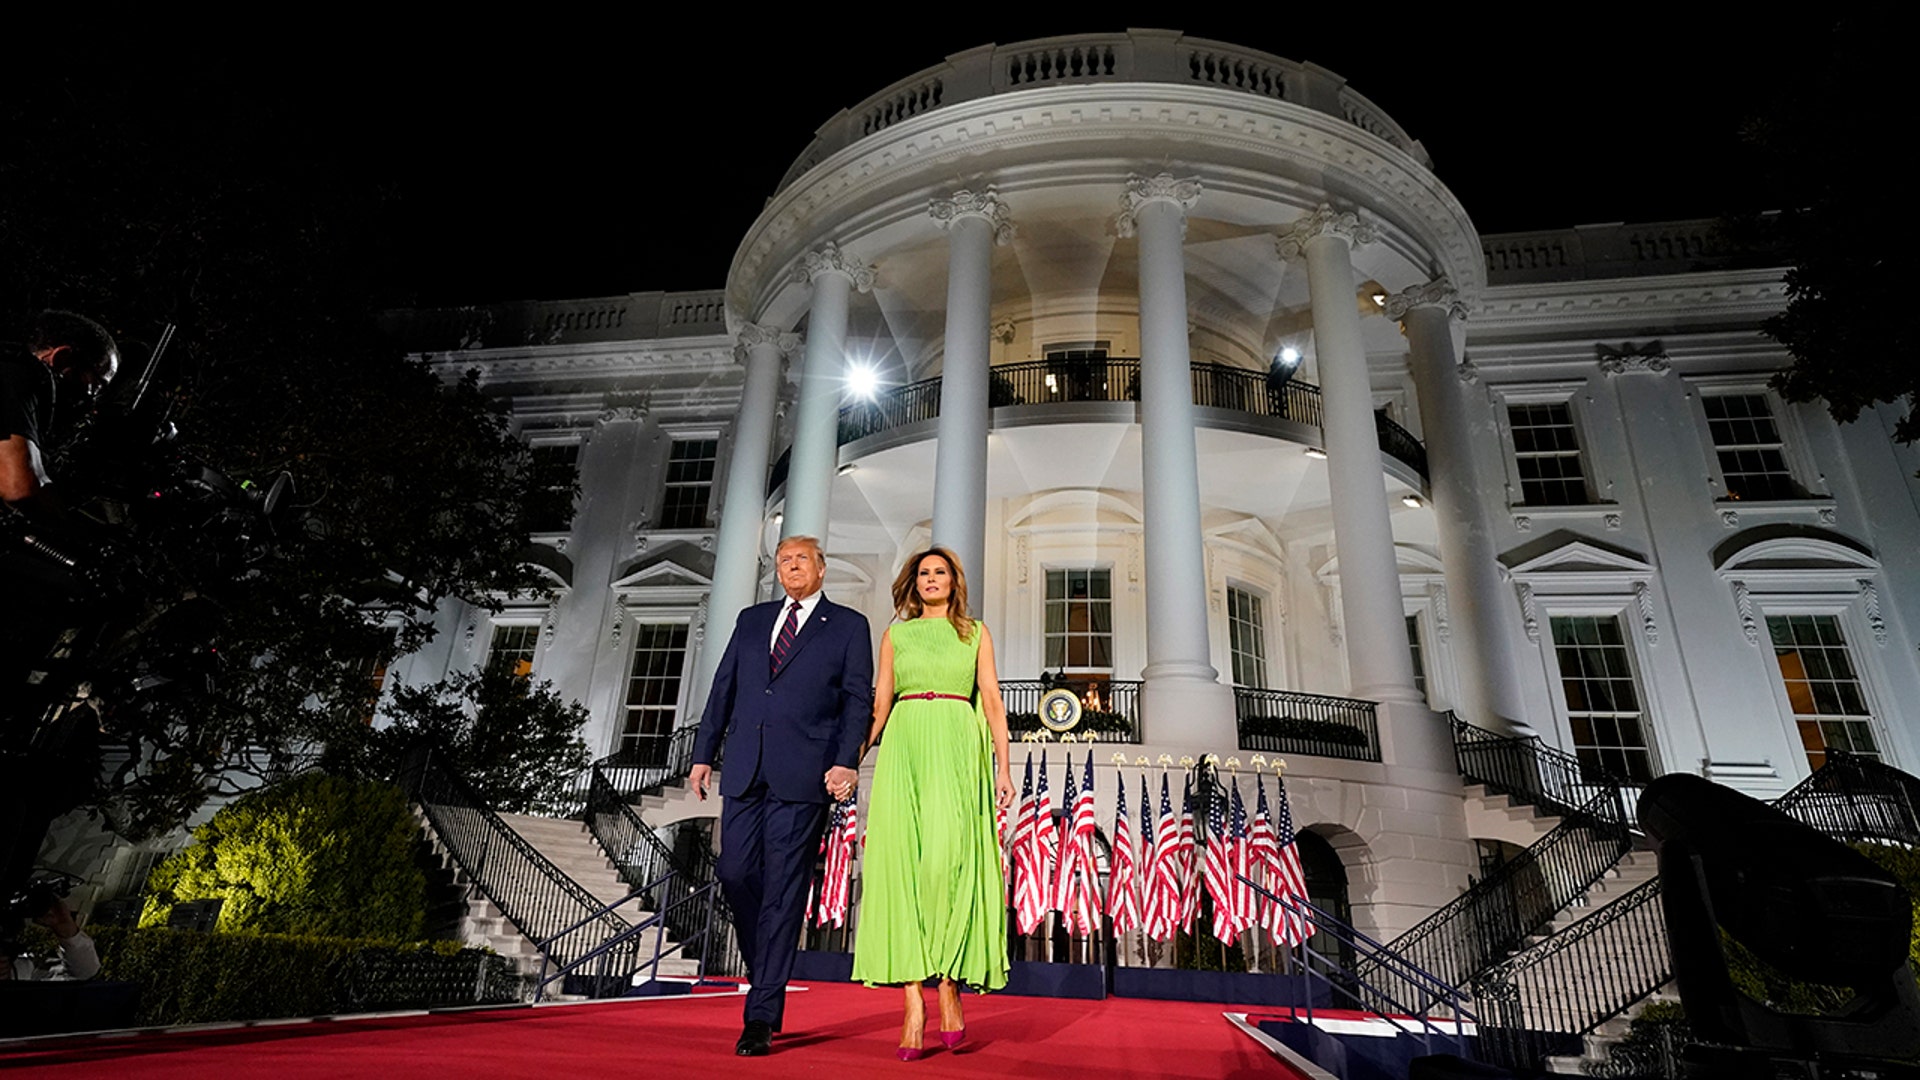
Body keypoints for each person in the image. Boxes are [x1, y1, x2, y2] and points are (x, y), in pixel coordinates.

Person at [690, 535, 873, 1057]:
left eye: (801, 559)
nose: (792, 567)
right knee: (733, 872)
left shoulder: (847, 626)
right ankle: (765, 963)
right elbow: (723, 686)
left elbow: (857, 700)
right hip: (746, 766)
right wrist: (704, 752)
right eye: (784, 560)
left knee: (783, 893)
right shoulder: (752, 619)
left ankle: (761, 1014)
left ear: (821, 567)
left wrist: (846, 759)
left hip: (805, 773)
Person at [851, 547, 1013, 1060]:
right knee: (902, 867)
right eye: (923, 573)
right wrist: (848, 760)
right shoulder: (895, 634)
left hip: (957, 743)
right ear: (913, 583)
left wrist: (1003, 766)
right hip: (904, 744)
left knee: (947, 863)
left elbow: (990, 698)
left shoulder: (975, 632)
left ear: (953, 581)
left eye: (939, 572)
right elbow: (880, 704)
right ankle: (912, 1005)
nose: (931, 579)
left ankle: (948, 985)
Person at [1, 310, 119, 510]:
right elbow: (20, 487)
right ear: (63, 359)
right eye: (96, 386)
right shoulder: (14, 375)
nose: (91, 399)